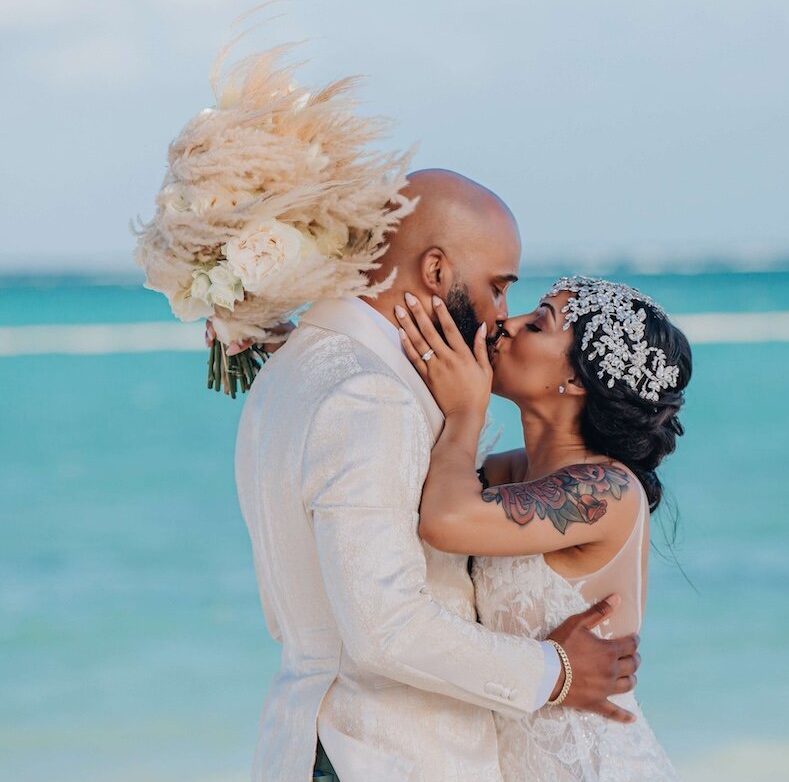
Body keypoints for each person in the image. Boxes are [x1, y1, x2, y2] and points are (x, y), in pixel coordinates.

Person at [232, 169, 639, 782]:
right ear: (437, 271)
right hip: (384, 754)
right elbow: (385, 629)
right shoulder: (370, 395)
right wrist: (556, 671)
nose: (501, 317)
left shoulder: (294, 366)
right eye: (498, 288)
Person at [394, 273, 692, 780]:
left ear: (578, 380)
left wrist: (467, 410)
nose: (506, 324)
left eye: (538, 324)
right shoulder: (506, 474)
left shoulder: (607, 490)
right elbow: (418, 496)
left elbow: (444, 521)